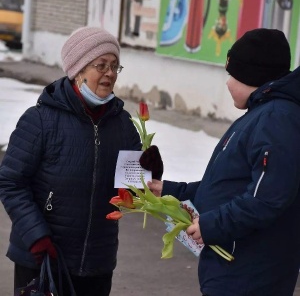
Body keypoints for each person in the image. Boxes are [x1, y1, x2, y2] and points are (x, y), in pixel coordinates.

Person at [140, 28, 300, 296]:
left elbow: (267, 198)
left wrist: (212, 226)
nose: (227, 83)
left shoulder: (276, 119)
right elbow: (227, 184)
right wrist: (168, 190)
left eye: (232, 74)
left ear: (253, 75)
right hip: (235, 267)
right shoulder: (261, 114)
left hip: (250, 273)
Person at [0, 26, 142, 295]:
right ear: (78, 70)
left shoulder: (123, 124)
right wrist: (37, 237)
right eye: (101, 65)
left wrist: (144, 177)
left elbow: (133, 188)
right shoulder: (41, 119)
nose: (110, 74)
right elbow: (10, 182)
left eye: (115, 66)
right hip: (43, 257)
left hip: (97, 263)